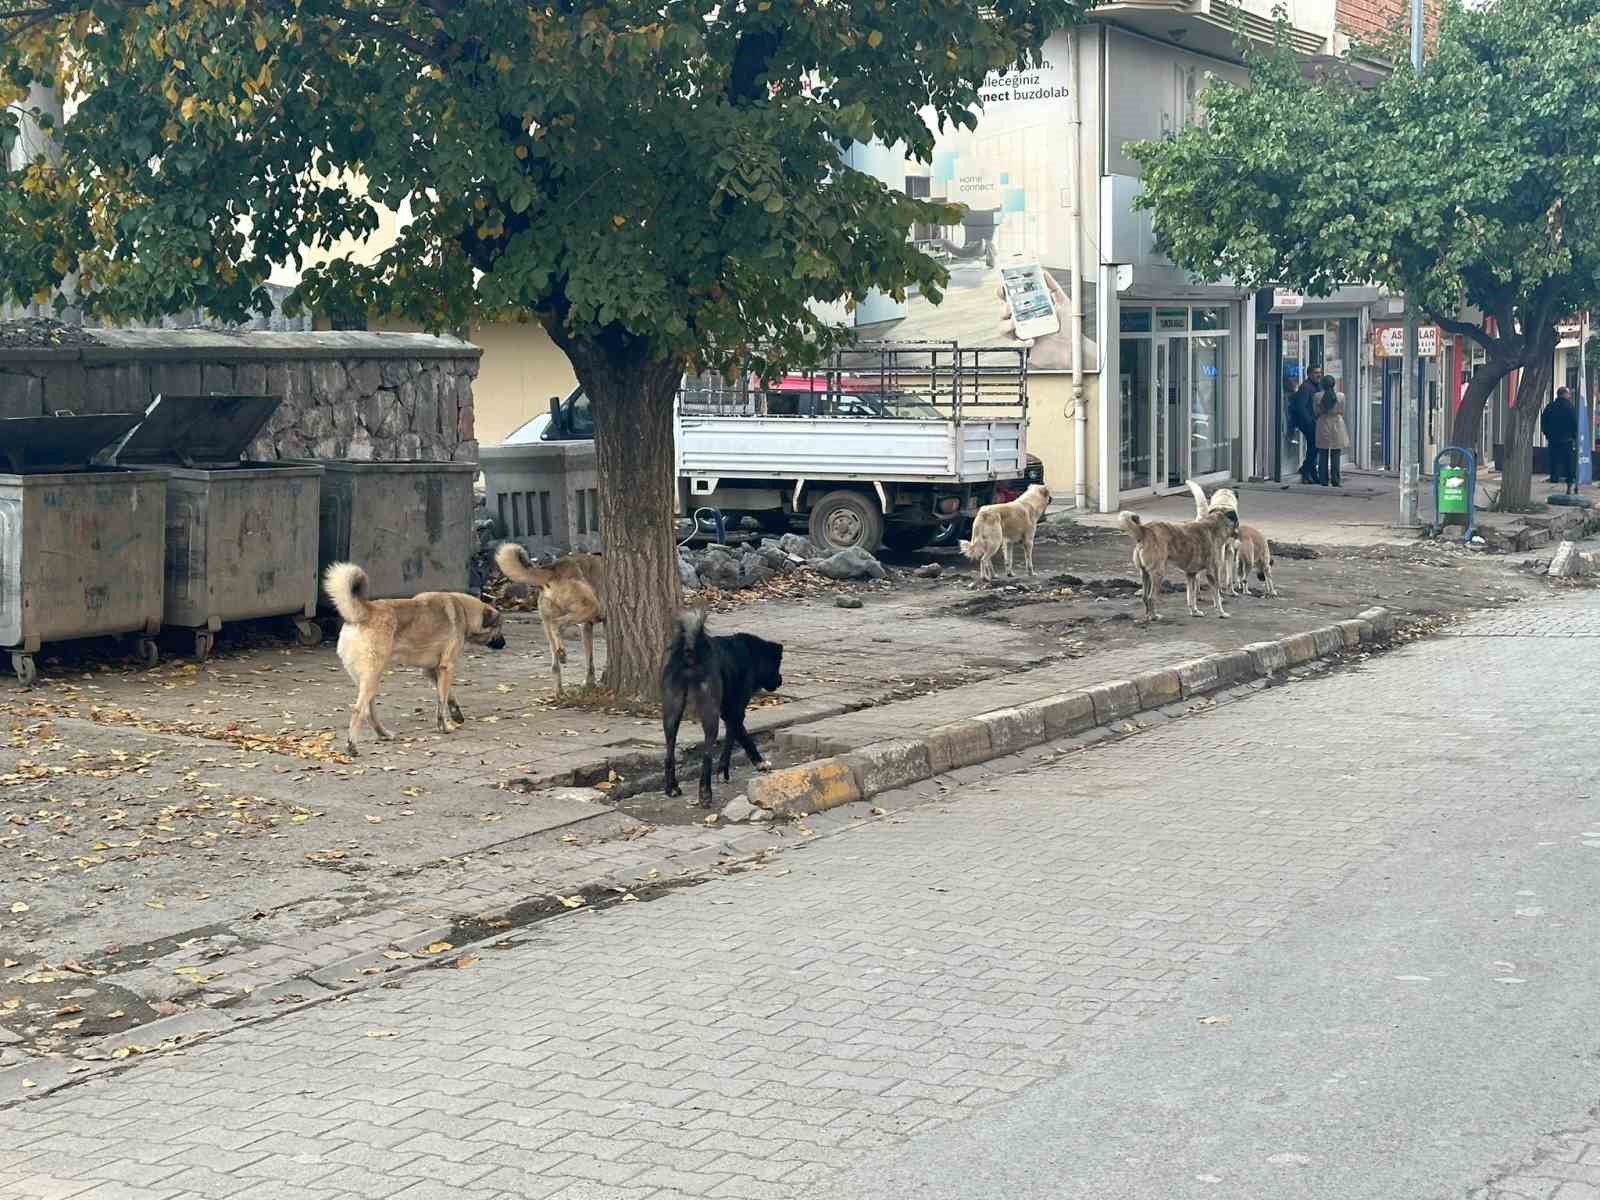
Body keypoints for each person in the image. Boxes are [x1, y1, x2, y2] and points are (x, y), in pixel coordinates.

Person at [1288, 365, 1324, 484]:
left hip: (1314, 421)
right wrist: (1310, 421)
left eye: (1320, 372)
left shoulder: (1317, 385)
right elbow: (1300, 407)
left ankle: (1310, 471)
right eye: (1315, 373)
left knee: (1314, 448)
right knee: (1314, 447)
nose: (1318, 375)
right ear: (1309, 374)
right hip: (1307, 422)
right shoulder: (1306, 387)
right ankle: (1306, 469)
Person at [1541, 386, 1579, 491]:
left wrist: (1547, 434)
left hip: (1553, 439)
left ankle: (1554, 477)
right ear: (1565, 394)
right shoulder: (1570, 407)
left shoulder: (1550, 406)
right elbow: (1574, 422)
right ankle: (1569, 479)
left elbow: (1543, 422)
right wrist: (1575, 436)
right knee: (1568, 461)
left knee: (1554, 459)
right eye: (1569, 394)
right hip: (1567, 439)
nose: (1570, 396)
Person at [1315, 376, 1350, 488]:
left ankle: (1323, 480)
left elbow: (1315, 411)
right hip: (1336, 423)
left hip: (1323, 423)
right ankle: (1336, 480)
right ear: (1334, 384)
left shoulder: (1317, 396)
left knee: (1323, 452)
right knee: (1336, 453)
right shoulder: (1341, 396)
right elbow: (1342, 411)